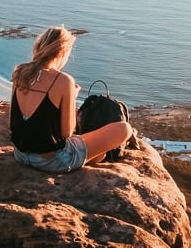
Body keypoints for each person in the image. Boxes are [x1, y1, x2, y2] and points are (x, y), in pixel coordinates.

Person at [10, 26, 132, 173]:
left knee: (93, 147)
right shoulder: (63, 80)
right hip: (51, 161)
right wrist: (72, 97)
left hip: (20, 154)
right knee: (124, 129)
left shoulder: (20, 72)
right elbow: (67, 133)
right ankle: (93, 157)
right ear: (62, 52)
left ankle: (95, 156)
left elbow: (14, 120)